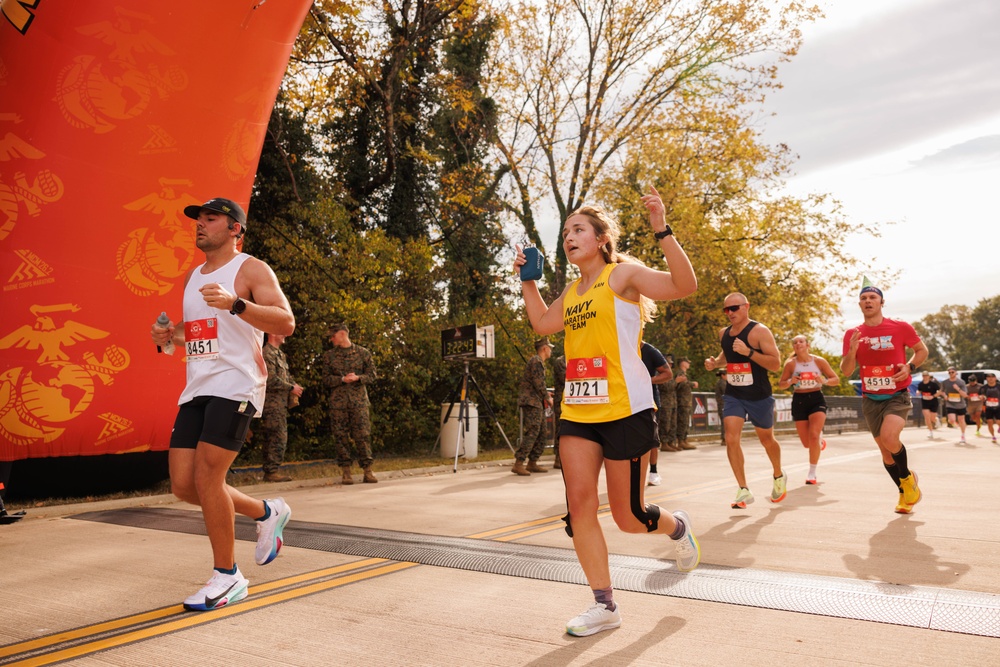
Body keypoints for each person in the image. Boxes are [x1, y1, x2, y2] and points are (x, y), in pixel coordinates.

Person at [514, 186, 700, 637]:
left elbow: (684, 285)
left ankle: (677, 529)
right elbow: (541, 324)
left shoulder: (622, 276)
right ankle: (604, 605)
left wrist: (662, 228)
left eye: (578, 229)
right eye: (565, 233)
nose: (569, 237)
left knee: (629, 517)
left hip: (626, 409)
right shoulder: (574, 293)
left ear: (600, 239)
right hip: (579, 411)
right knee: (579, 508)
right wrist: (527, 281)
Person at [150, 196, 294, 611]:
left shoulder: (251, 268)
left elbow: (285, 321)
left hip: (236, 385)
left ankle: (227, 577)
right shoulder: (192, 277)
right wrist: (168, 337)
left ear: (235, 229)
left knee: (209, 478)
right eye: (198, 219)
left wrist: (236, 303)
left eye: (210, 219)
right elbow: (200, 335)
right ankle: (266, 512)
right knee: (183, 485)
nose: (200, 225)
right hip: (198, 386)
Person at [840, 279, 927, 514]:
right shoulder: (853, 334)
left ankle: (907, 479)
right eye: (864, 298)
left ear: (881, 302)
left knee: (890, 437)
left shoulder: (900, 328)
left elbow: (922, 350)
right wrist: (852, 352)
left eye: (873, 298)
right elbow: (846, 370)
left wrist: (909, 367)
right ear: (860, 304)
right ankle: (904, 490)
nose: (868, 301)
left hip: (897, 394)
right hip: (870, 399)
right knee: (885, 452)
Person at [704, 293, 786, 509]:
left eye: (734, 308)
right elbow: (726, 357)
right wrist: (715, 363)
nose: (730, 313)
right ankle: (743, 489)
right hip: (734, 395)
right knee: (731, 438)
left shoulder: (760, 331)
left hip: (759, 395)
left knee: (767, 440)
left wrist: (749, 352)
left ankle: (778, 475)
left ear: (746, 307)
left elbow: (776, 364)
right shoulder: (724, 333)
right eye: (726, 309)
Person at [777, 335, 840, 485]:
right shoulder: (791, 364)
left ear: (807, 345)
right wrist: (790, 381)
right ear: (794, 347)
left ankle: (812, 473)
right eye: (795, 342)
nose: (798, 344)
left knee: (813, 435)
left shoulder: (818, 361)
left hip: (816, 398)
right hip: (799, 400)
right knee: (807, 443)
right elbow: (781, 384)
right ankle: (819, 442)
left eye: (801, 341)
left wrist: (824, 381)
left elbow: (835, 379)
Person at [322, 324, 378, 484]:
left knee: (363, 435)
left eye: (333, 336)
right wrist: (341, 379)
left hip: (359, 402)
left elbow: (373, 375)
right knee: (340, 436)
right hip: (338, 403)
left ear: (342, 334)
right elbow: (325, 379)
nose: (331, 339)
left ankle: (368, 471)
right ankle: (346, 472)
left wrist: (358, 378)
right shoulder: (329, 356)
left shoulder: (362, 353)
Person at [257, 333, 303, 482]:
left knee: (278, 436)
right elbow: (270, 379)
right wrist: (291, 387)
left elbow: (285, 376)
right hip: (271, 403)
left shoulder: (280, 354)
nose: (284, 335)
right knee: (276, 436)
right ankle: (271, 472)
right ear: (272, 333)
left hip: (280, 404)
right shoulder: (267, 353)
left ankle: (272, 470)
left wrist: (294, 385)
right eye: (281, 331)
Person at [514, 338, 554, 475]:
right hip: (531, 402)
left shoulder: (538, 362)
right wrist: (548, 398)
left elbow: (537, 383)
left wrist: (545, 394)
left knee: (542, 432)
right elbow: (538, 383)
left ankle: (532, 462)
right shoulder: (536, 361)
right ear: (544, 348)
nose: (551, 350)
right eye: (550, 347)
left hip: (536, 401)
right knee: (533, 431)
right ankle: (519, 463)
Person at [640, 341, 673, 485]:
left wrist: (647, 380)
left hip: (649, 401)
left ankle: (653, 472)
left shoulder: (650, 350)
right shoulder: (620, 347)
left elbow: (668, 374)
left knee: (651, 439)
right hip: (625, 400)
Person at [940, 367, 969, 444]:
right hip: (950, 403)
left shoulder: (961, 382)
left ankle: (963, 435)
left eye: (952, 372)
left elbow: (965, 395)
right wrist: (945, 396)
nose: (951, 373)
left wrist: (958, 389)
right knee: (952, 420)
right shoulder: (945, 382)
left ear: (956, 373)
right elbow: (941, 391)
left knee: (961, 420)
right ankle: (956, 425)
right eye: (949, 372)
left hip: (960, 404)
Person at [673, 358, 698, 450]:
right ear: (683, 363)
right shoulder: (680, 373)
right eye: (688, 362)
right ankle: (681, 441)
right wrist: (692, 384)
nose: (689, 364)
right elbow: (681, 385)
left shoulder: (683, 374)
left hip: (686, 402)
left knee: (685, 422)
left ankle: (684, 440)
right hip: (682, 402)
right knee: (682, 422)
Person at [658, 356, 680, 452]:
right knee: (665, 424)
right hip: (665, 403)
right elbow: (666, 387)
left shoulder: (670, 375)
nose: (670, 365)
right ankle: (664, 443)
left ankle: (671, 442)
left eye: (671, 363)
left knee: (672, 423)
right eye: (668, 363)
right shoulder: (661, 374)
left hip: (672, 403)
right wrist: (676, 381)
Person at [551, 353, 566, 469]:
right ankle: (558, 458)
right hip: (561, 400)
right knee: (560, 428)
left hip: (574, 401)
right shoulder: (560, 361)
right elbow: (566, 378)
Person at [916, 370, 941, 439]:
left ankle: (936, 420)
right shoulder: (921, 384)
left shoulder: (933, 384)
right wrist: (918, 392)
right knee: (927, 417)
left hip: (933, 402)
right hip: (925, 402)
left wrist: (933, 396)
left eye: (926, 376)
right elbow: (919, 390)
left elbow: (940, 391)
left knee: (932, 418)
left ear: (928, 376)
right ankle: (930, 431)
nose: (925, 377)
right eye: (924, 376)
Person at [982, 373, 1000, 444]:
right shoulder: (984, 387)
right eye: (988, 377)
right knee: (990, 423)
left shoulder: (999, 386)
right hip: (988, 407)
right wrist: (982, 398)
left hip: (998, 406)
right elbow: (981, 395)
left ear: (995, 378)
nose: (990, 378)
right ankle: (993, 436)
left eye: (992, 377)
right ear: (986, 379)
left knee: (998, 422)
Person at [713, 370, 727, 445]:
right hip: (723, 404)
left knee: (725, 422)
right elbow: (726, 392)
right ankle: (724, 438)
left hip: (723, 404)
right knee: (725, 422)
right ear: (723, 375)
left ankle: (725, 438)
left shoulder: (723, 382)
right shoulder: (722, 383)